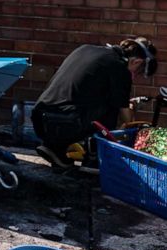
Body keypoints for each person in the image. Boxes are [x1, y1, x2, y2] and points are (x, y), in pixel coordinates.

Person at [32, 37, 157, 168]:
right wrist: (131, 112)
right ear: (136, 62)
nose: (134, 77)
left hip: (39, 119)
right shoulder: (119, 67)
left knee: (95, 104)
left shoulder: (85, 49)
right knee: (112, 108)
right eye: (137, 73)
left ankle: (56, 148)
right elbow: (126, 118)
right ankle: (96, 156)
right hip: (65, 123)